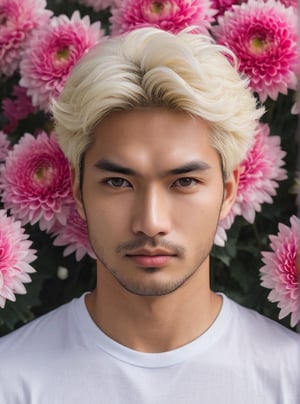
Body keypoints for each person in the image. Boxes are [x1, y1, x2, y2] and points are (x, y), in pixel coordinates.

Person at [0, 27, 299, 404]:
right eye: (118, 182)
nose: (151, 222)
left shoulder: (290, 378)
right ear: (78, 189)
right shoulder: (10, 381)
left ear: (227, 190)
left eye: (184, 181)